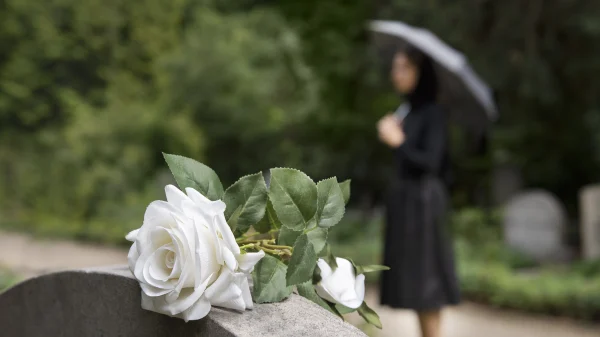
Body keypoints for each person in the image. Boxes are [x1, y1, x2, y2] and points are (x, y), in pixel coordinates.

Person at [377, 44, 461, 337]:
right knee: (415, 284)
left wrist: (398, 141)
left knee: (428, 286)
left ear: (420, 72)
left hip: (424, 205)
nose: (395, 73)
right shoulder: (409, 111)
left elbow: (431, 162)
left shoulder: (433, 112)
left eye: (403, 68)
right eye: (395, 67)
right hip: (407, 203)